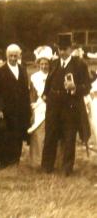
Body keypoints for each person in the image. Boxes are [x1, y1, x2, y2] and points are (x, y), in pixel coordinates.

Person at [42, 34, 91, 176]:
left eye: (64, 49)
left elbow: (87, 87)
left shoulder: (80, 64)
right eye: (59, 49)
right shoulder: (55, 63)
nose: (62, 52)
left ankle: (66, 169)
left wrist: (75, 87)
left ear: (71, 49)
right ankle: (47, 167)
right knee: (50, 136)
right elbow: (48, 81)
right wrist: (46, 94)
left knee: (69, 138)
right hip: (53, 107)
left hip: (71, 107)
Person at [0, 44, 31, 166]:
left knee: (18, 135)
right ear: (6, 56)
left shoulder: (23, 70)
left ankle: (16, 160)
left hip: (20, 110)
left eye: (15, 55)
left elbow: (25, 90)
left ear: (19, 55)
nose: (13, 58)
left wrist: (27, 108)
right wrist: (0, 109)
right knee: (6, 136)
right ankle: (5, 161)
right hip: (6, 110)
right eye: (11, 56)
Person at [28, 46, 53, 168]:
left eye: (46, 64)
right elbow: (32, 96)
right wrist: (33, 111)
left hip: (51, 108)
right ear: (38, 64)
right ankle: (37, 162)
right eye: (42, 64)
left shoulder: (53, 75)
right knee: (38, 135)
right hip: (38, 108)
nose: (44, 66)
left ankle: (51, 162)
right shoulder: (34, 77)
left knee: (51, 135)